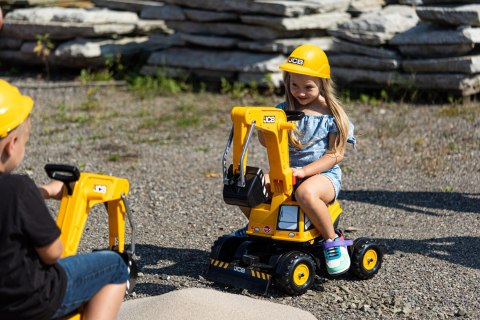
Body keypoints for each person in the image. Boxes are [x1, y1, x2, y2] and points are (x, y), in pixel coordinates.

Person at [0, 79, 129, 320]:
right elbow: (53, 253)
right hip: (29, 301)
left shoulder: (21, 193)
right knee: (115, 266)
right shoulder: (20, 190)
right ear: (12, 145)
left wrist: (46, 191)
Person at [234, 44, 356, 276]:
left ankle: (332, 240)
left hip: (323, 176)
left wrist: (304, 172)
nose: (300, 92)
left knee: (305, 193)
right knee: (247, 186)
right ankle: (261, 228)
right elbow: (266, 143)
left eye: (308, 87)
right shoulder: (282, 110)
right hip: (286, 171)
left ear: (322, 83)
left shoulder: (333, 115)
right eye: (294, 85)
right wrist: (263, 131)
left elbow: (335, 155)